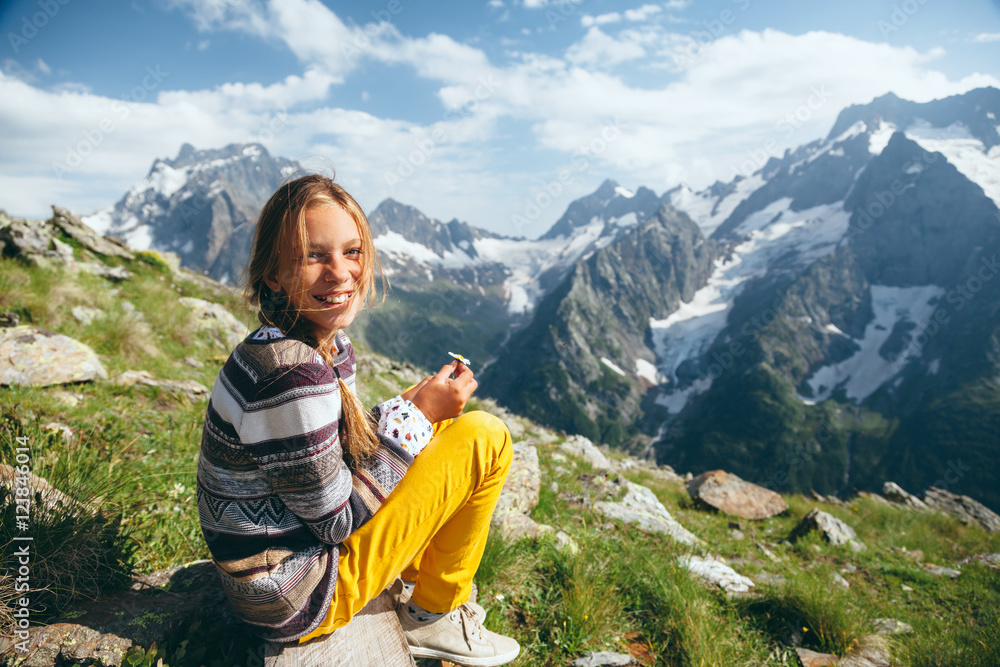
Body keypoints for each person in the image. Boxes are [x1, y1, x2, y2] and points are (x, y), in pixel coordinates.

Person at [196, 173, 520, 665]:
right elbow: (337, 522)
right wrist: (411, 419)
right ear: (273, 275)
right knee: (485, 436)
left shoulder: (309, 347)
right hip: (299, 596)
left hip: (286, 570)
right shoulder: (291, 374)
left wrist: (410, 413)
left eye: (352, 251)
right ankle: (434, 615)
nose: (340, 272)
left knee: (447, 426)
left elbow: (325, 454)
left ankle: (418, 582)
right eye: (313, 256)